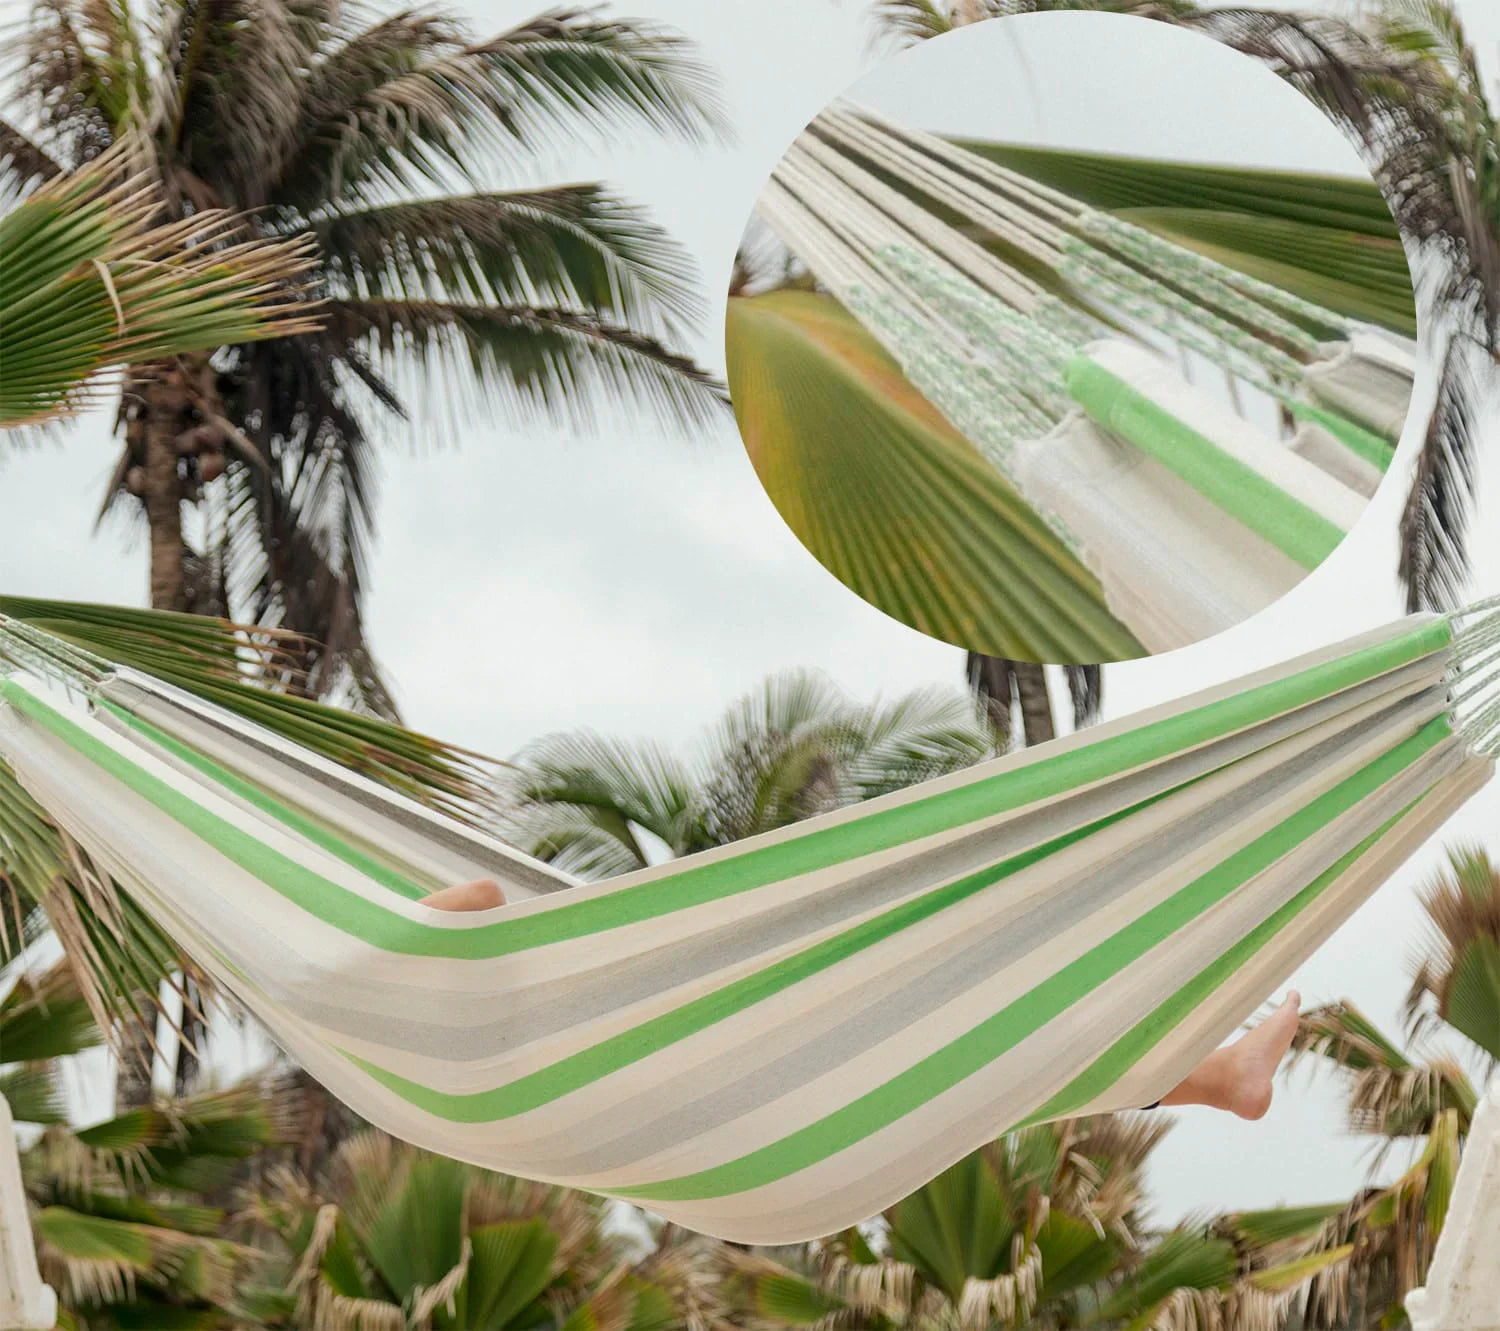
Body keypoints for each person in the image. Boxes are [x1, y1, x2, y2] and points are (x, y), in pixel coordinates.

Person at [422, 878, 1301, 1123]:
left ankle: (1217, 1077)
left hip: (690, 1065)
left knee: (985, 1057)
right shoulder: (356, 968)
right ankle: (1217, 1075)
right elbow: (483, 900)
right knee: (973, 1033)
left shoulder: (433, 1052)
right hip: (698, 1068)